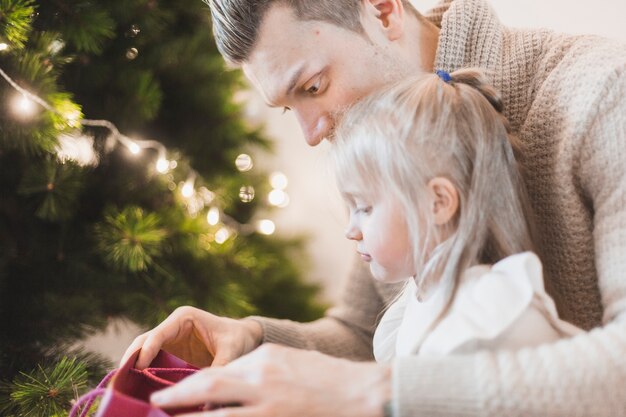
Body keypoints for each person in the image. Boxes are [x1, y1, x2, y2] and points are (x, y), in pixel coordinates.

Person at [122, 0, 626, 415]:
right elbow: (364, 333)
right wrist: (250, 338)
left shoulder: (602, 94)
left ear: (383, 12)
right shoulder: (388, 143)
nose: (312, 132)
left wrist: (376, 394)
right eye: (287, 107)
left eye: (313, 88)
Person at [331, 70, 583, 362]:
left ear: (438, 203)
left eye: (363, 208)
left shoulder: (487, 320)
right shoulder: (419, 297)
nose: (351, 230)